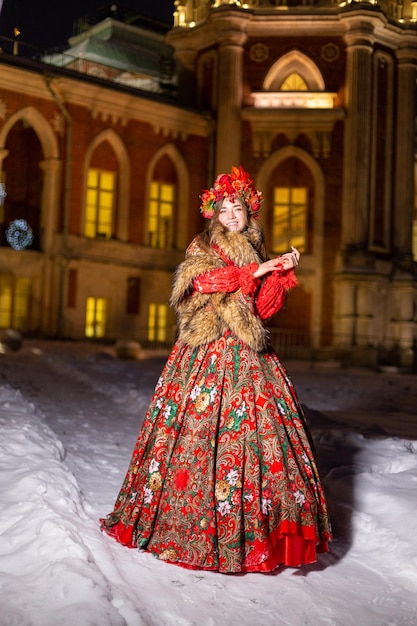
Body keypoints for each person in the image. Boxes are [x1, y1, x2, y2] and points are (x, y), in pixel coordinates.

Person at [101, 165, 332, 573]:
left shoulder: (256, 249)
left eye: (237, 208)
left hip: (249, 357)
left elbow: (261, 311)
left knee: (266, 437)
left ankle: (267, 533)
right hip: (205, 351)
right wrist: (256, 271)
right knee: (196, 435)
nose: (230, 215)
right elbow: (207, 283)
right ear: (213, 214)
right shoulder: (201, 248)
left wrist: (279, 275)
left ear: (249, 213)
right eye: (224, 209)